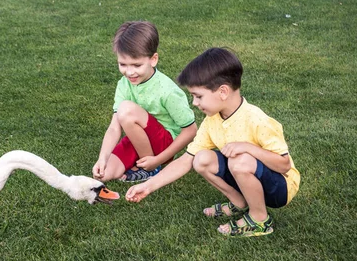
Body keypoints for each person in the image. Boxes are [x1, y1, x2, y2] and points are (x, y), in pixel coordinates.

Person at [125, 47, 300, 237]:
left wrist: (248, 148)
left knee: (239, 159)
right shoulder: (212, 121)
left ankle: (260, 220)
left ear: (223, 92)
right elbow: (186, 160)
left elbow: (284, 165)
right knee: (201, 159)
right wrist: (148, 185)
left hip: (280, 188)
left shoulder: (257, 120)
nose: (194, 103)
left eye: (198, 96)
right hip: (246, 174)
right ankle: (239, 202)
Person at [92, 21, 197, 183]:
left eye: (136, 65)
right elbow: (114, 127)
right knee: (103, 174)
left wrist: (159, 159)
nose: (129, 72)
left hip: (164, 144)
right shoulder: (124, 84)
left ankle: (152, 168)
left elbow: (190, 130)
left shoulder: (167, 90)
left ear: (153, 59)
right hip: (139, 139)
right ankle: (142, 161)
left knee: (125, 110)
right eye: (123, 64)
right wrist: (102, 158)